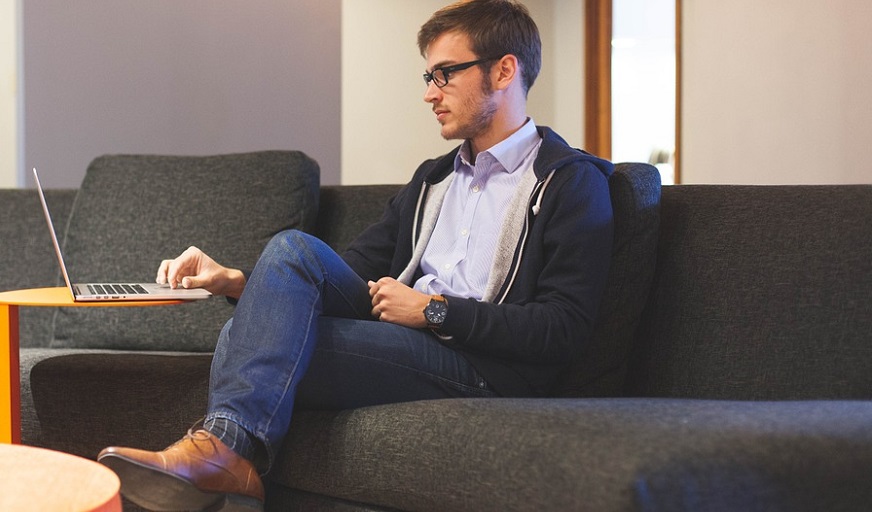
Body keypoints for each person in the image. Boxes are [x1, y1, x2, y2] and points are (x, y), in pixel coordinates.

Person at [98, 1, 614, 510]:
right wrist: (235, 280)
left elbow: (563, 327)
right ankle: (229, 465)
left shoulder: (569, 181)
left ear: (504, 70)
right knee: (292, 253)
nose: (430, 94)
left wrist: (432, 311)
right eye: (427, 77)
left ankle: (223, 459)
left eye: (445, 75)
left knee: (249, 338)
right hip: (405, 336)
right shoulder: (434, 178)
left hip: (484, 366)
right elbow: (344, 273)